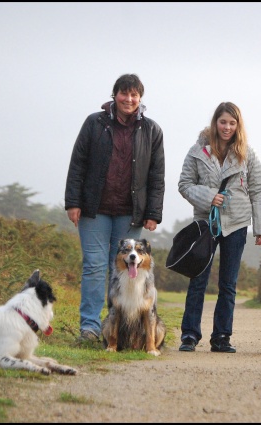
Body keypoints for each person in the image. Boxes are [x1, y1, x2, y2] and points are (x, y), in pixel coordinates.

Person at [64, 73, 165, 343]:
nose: (129, 99)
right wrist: (73, 202)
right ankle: (90, 327)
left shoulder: (152, 130)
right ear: (115, 95)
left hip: (130, 212)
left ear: (140, 98)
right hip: (93, 210)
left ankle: (117, 330)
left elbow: (157, 174)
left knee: (122, 270)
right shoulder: (94, 123)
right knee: (95, 267)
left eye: (134, 95)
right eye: (124, 93)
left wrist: (153, 212)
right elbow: (78, 163)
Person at [177, 102, 261, 353]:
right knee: (198, 279)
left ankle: (221, 337)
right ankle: (189, 335)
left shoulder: (247, 154)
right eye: (223, 122)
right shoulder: (197, 151)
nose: (227, 127)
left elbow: (258, 191)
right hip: (205, 223)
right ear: (215, 122)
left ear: (238, 125)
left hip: (237, 223)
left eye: (232, 122)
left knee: (228, 284)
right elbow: (184, 184)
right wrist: (209, 196)